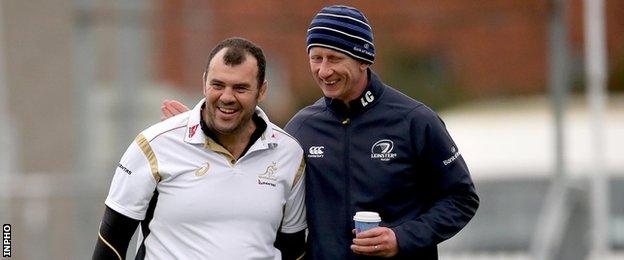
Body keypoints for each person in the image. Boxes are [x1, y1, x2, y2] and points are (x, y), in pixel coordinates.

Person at [161, 5, 479, 260]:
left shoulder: (415, 121)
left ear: (363, 59)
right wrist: (207, 136)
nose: (323, 71)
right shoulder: (302, 127)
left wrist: (402, 238)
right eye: (316, 58)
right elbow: (257, 182)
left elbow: (461, 199)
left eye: (334, 59)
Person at [93, 37, 307, 260]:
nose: (226, 97)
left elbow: (294, 250)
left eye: (240, 88)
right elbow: (112, 240)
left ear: (261, 91)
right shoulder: (154, 144)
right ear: (205, 82)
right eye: (218, 85)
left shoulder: (289, 154)